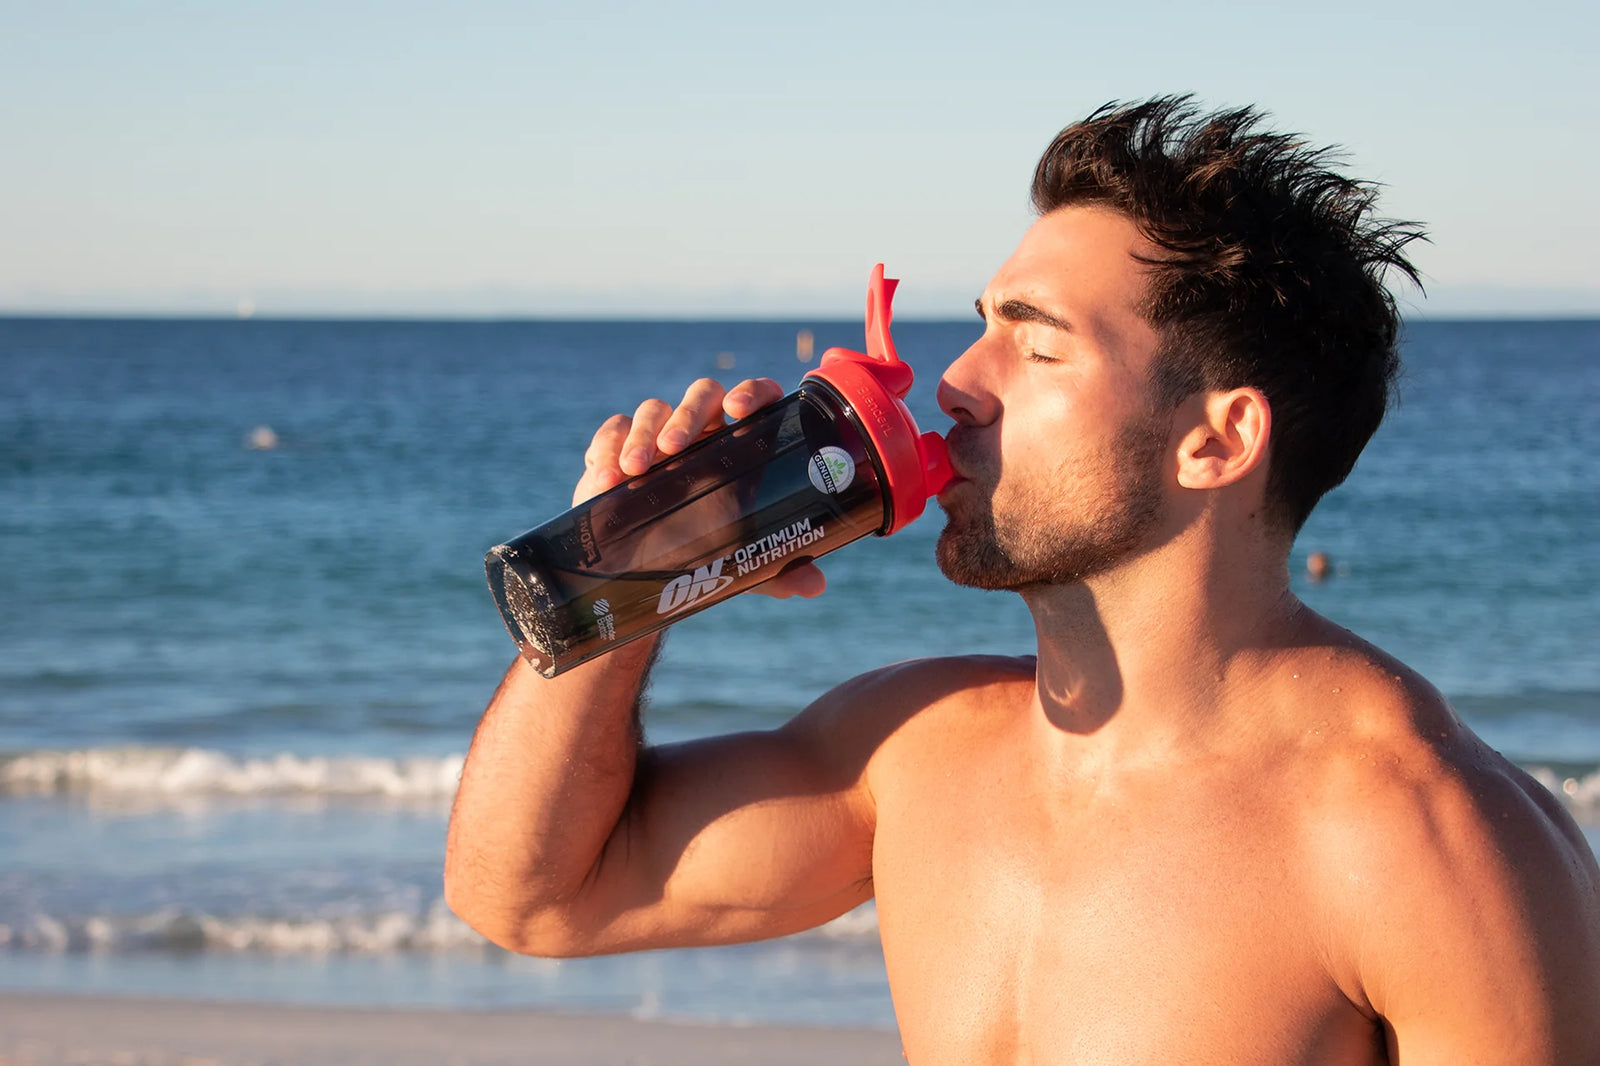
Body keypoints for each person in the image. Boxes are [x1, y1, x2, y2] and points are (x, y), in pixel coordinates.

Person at [445, 97, 1600, 1063]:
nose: (954, 381)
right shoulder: (920, 751)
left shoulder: (1420, 834)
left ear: (1216, 440)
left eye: (1036, 344)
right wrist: (640, 575)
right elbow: (533, 897)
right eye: (981, 325)